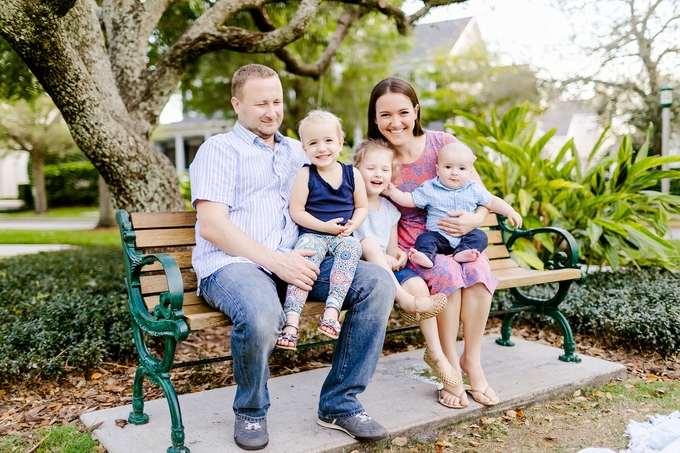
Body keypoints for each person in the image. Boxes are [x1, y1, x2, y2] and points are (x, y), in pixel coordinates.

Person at [189, 64, 395, 451]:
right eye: (260, 103)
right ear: (236, 104)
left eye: (277, 101)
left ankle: (339, 403)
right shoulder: (219, 150)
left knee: (378, 283)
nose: (272, 111)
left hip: (298, 260)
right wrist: (275, 260)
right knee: (264, 315)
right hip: (234, 265)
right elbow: (213, 226)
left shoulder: (296, 151)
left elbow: (344, 179)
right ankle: (251, 410)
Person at [367, 76, 500, 409]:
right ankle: (450, 366)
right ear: (374, 118)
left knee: (478, 269)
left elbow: (480, 195)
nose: (394, 122)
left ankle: (473, 360)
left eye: (402, 112)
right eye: (385, 115)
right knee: (446, 275)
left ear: (416, 110)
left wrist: (477, 218)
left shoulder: (443, 143)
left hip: (460, 234)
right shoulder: (378, 155)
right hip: (416, 244)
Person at [277, 110, 368, 350]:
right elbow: (296, 211)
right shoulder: (305, 174)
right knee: (303, 264)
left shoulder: (352, 174)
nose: (322, 148)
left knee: (352, 247)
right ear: (304, 149)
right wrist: (323, 227)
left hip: (342, 237)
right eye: (313, 143)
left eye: (328, 140)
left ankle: (332, 311)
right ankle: (291, 322)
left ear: (340, 142)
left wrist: (353, 226)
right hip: (313, 235)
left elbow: (362, 206)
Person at [352, 138, 449, 324]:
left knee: (418, 286)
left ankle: (436, 352)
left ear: (392, 174)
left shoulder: (391, 210)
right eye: (371, 168)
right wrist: (379, 257)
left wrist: (398, 255)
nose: (378, 174)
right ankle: (405, 301)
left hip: (387, 269)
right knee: (369, 243)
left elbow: (391, 248)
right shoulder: (350, 203)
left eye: (385, 169)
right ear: (356, 169)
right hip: (360, 267)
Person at [385, 141, 522, 267]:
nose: (454, 173)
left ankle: (463, 253)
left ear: (470, 172)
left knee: (480, 236)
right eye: (448, 167)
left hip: (465, 236)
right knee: (424, 239)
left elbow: (491, 201)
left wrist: (510, 211)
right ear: (438, 170)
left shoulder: (473, 188)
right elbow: (410, 199)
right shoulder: (430, 188)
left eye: (461, 169)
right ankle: (426, 256)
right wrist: (393, 193)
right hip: (439, 236)